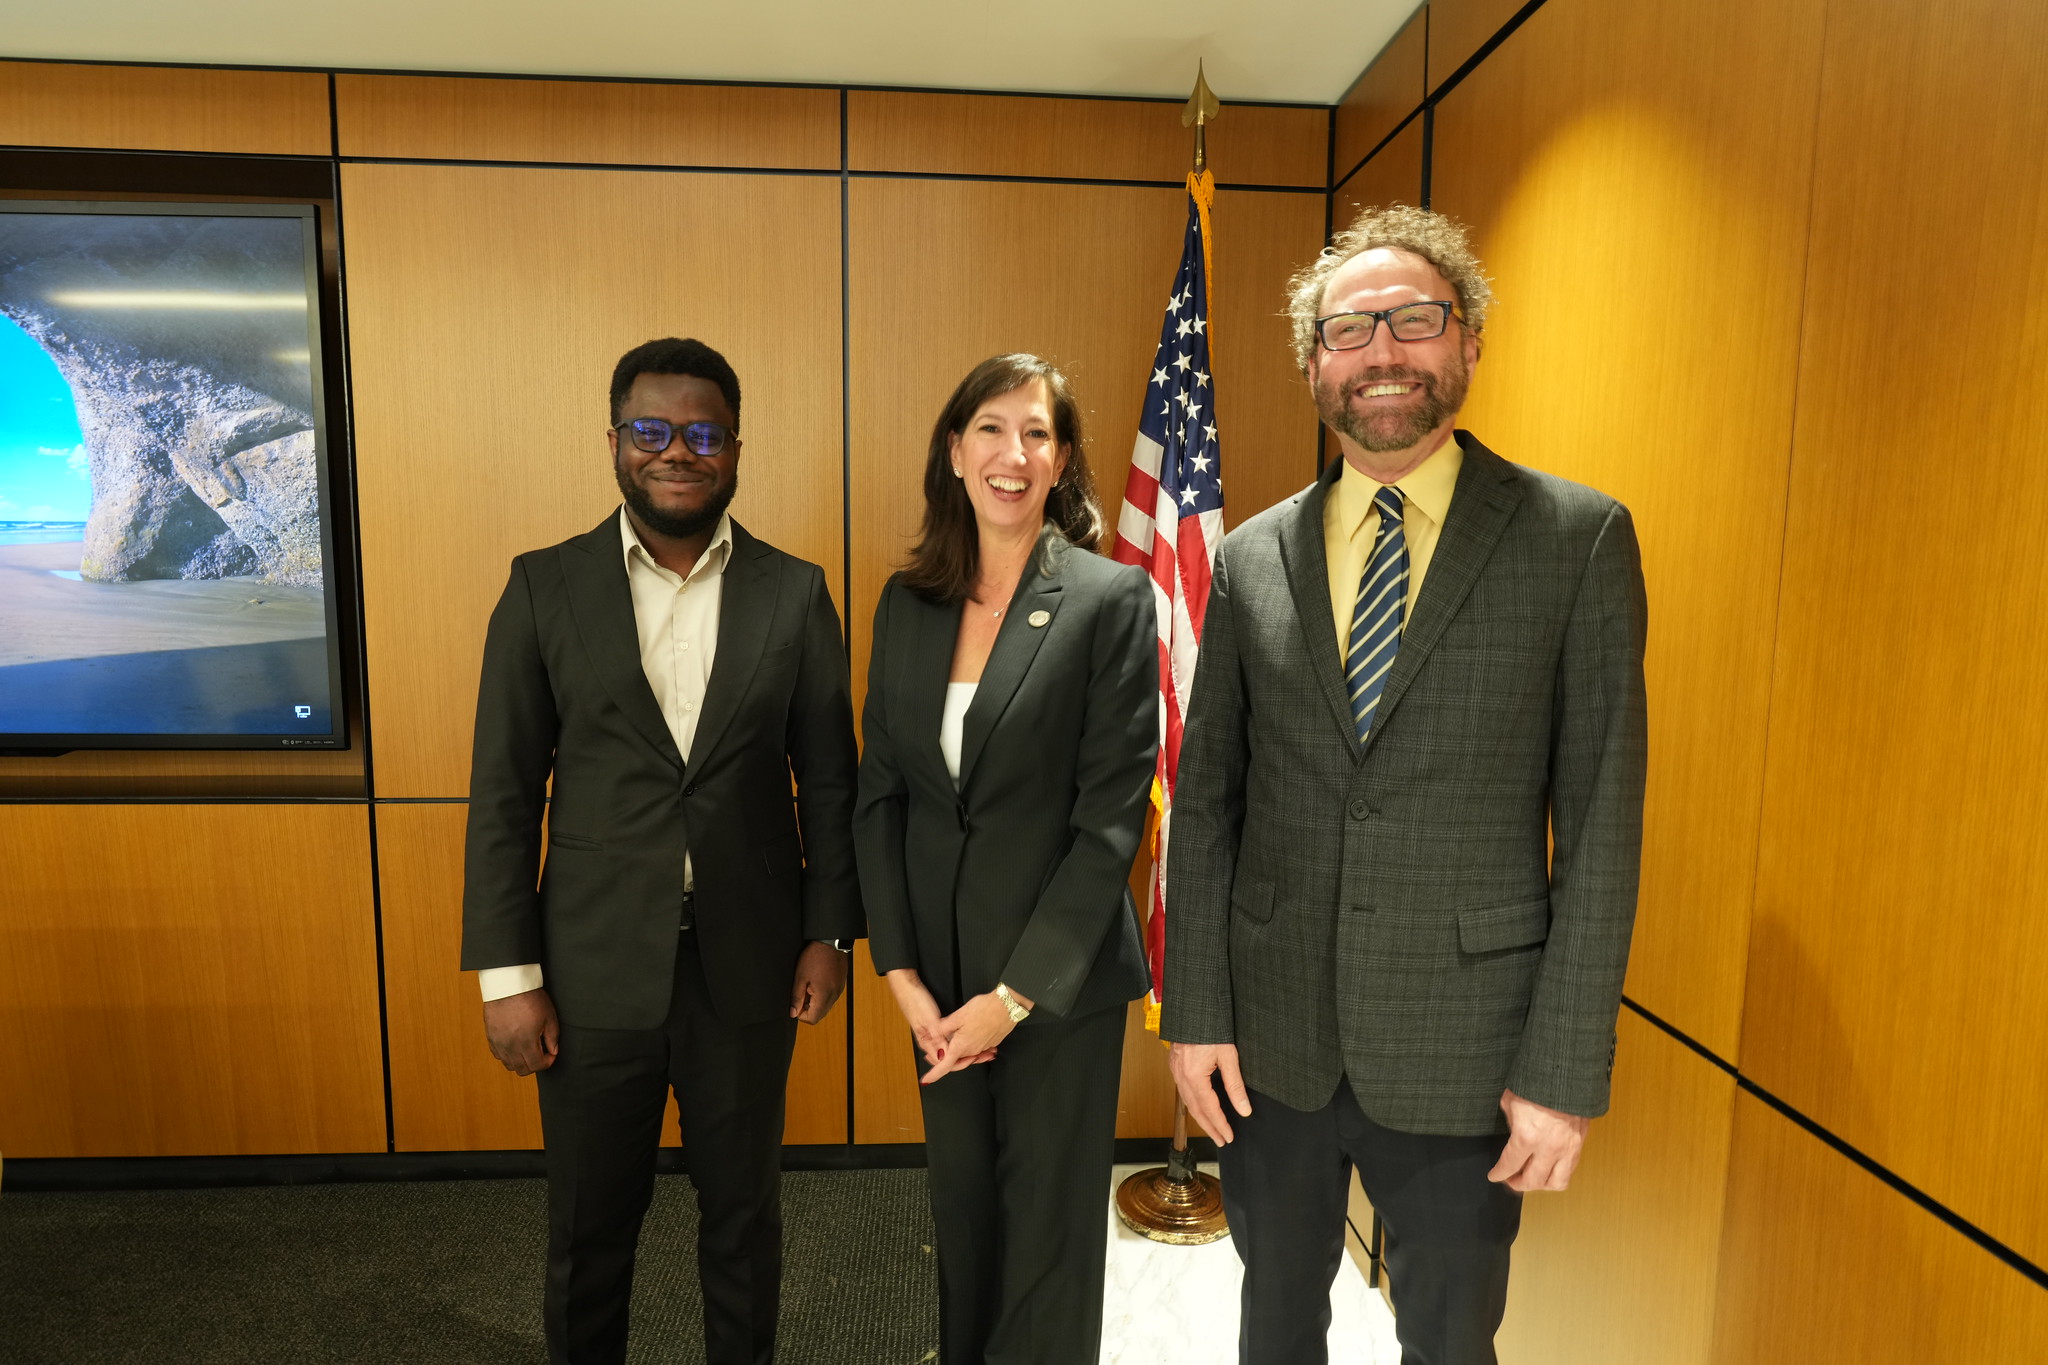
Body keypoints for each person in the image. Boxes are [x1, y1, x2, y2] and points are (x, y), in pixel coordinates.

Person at [1162, 206, 1649, 1365]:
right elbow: (1208, 801)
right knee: (1273, 1320)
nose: (1381, 352)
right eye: (1348, 331)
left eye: (1413, 321)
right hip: (1268, 1048)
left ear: (1467, 341)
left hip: (1467, 1055)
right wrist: (1195, 1016)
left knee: (1446, 1338)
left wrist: (1560, 1074)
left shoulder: (1574, 541)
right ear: (1312, 365)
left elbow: (1601, 829)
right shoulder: (1246, 561)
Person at [461, 336, 862, 1365]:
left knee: (743, 1224)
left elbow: (828, 782)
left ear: (734, 447)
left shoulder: (794, 591)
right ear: (613, 444)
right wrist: (507, 977)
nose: (675, 451)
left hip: (750, 969)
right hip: (590, 976)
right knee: (590, 1231)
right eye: (650, 430)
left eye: (701, 432)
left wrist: (829, 934)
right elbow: (505, 794)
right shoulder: (543, 589)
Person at [852, 353, 1158, 1364]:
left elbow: (1108, 824)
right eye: (988, 427)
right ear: (952, 449)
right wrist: (897, 972)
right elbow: (880, 798)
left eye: (1035, 432)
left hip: (1053, 985)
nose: (1011, 453)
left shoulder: (1108, 600)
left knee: (1047, 1238)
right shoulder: (907, 604)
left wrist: (1012, 998)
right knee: (965, 1216)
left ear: (1061, 457)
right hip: (935, 982)